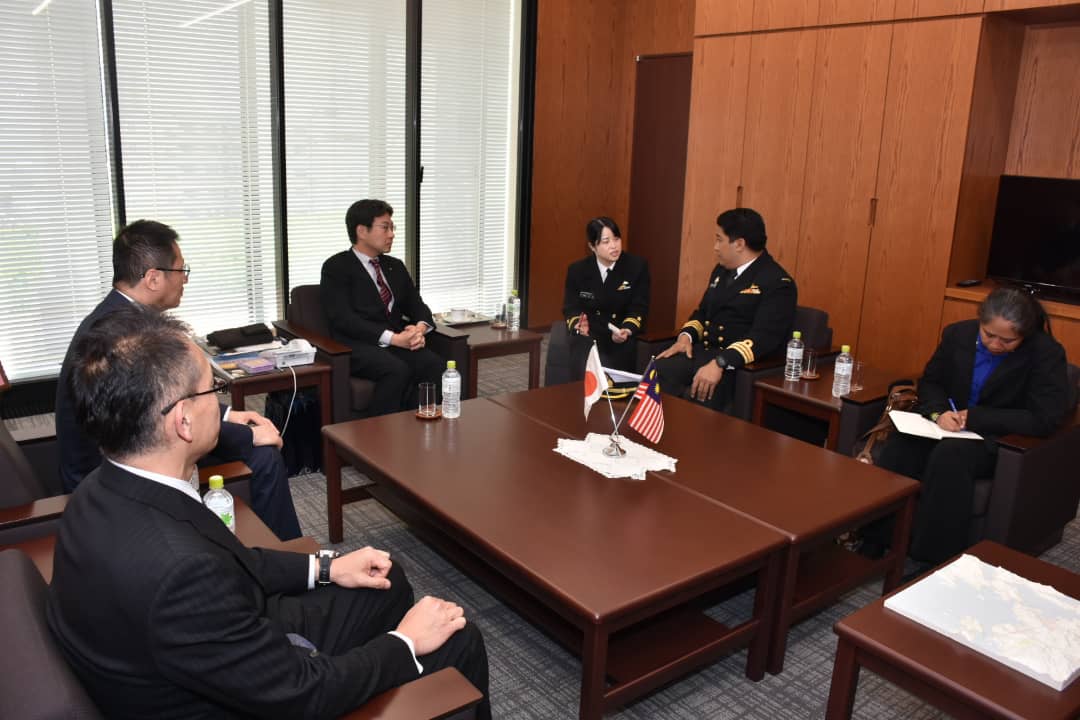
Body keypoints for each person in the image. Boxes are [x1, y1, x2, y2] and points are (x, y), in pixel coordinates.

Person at [46, 308, 491, 719]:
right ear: (182, 420)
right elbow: (302, 694)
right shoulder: (179, 573)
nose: (221, 404)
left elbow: (230, 562)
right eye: (213, 390)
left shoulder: (99, 490)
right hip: (257, 694)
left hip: (219, 648)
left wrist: (326, 567)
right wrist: (406, 643)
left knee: (388, 580)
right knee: (458, 638)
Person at [55, 219, 302, 540]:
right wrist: (246, 436)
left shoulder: (119, 317)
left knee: (260, 453)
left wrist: (230, 415)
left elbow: (167, 399)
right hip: (106, 472)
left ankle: (280, 548)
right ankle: (286, 550)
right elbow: (157, 419)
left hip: (129, 445)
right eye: (181, 270)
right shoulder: (126, 336)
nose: (185, 279)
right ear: (154, 278)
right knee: (262, 454)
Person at [874, 287, 1069, 565]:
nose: (995, 345)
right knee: (901, 445)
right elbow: (932, 382)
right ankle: (876, 538)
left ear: (1024, 335)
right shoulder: (958, 334)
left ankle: (932, 559)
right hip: (945, 425)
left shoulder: (1045, 354)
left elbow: (1044, 418)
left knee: (951, 457)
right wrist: (937, 413)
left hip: (996, 439)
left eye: (1008, 341)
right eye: (989, 335)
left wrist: (976, 417)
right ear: (980, 322)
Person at [656, 207, 796, 411]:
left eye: (719, 239)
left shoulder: (777, 282)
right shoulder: (721, 272)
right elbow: (703, 313)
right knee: (658, 370)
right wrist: (685, 337)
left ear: (739, 244)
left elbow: (764, 338)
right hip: (704, 354)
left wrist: (721, 362)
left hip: (736, 367)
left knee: (703, 391)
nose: (715, 247)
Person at [321, 199, 443, 417]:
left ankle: (418, 426)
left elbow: (417, 305)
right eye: (385, 227)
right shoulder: (336, 267)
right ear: (362, 231)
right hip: (355, 346)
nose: (392, 234)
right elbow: (344, 319)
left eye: (392, 227)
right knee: (396, 370)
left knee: (433, 364)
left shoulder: (394, 266)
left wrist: (418, 330)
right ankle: (378, 437)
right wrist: (395, 339)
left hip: (395, 343)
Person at [561, 216, 650, 379]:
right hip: (589, 335)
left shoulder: (636, 267)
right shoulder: (577, 270)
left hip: (620, 336)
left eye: (616, 239)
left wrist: (627, 329)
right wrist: (578, 325)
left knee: (613, 375)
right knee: (580, 368)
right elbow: (571, 307)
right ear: (592, 246)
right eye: (606, 241)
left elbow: (639, 307)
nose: (614, 246)